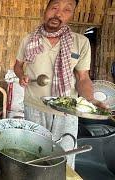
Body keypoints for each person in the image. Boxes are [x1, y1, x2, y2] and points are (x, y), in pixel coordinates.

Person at [14, 0, 106, 168]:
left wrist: (91, 100)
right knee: (34, 157)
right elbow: (18, 66)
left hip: (67, 112)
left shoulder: (81, 42)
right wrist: (21, 75)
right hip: (34, 107)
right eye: (54, 7)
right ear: (46, 9)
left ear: (72, 14)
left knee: (63, 161)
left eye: (66, 10)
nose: (58, 14)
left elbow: (83, 78)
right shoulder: (29, 40)